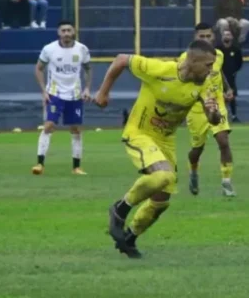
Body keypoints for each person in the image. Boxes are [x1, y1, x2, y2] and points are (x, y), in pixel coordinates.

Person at [97, 41, 221, 258]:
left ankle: (129, 238)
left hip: (165, 141)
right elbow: (121, 60)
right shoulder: (160, 70)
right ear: (192, 61)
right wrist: (103, 93)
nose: (211, 70)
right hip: (140, 133)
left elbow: (213, 118)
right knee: (163, 176)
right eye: (208, 65)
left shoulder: (204, 83)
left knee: (161, 201)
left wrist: (213, 114)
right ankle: (120, 209)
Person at [182, 23, 236, 197]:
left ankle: (226, 182)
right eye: (201, 36)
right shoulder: (185, 58)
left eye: (208, 36)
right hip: (196, 109)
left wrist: (227, 88)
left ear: (213, 37)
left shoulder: (218, 55)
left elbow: (218, 72)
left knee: (223, 141)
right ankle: (193, 171)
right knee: (197, 150)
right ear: (195, 37)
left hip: (217, 104)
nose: (205, 39)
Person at [32, 21, 92, 176]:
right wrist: (44, 91)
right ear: (59, 33)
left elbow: (88, 69)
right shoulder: (49, 49)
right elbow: (38, 69)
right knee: (49, 125)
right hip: (55, 94)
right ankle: (39, 164)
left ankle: (76, 167)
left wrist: (87, 88)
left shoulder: (82, 49)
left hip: (75, 95)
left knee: (76, 129)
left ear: (74, 32)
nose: (66, 33)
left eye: (69, 30)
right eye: (63, 30)